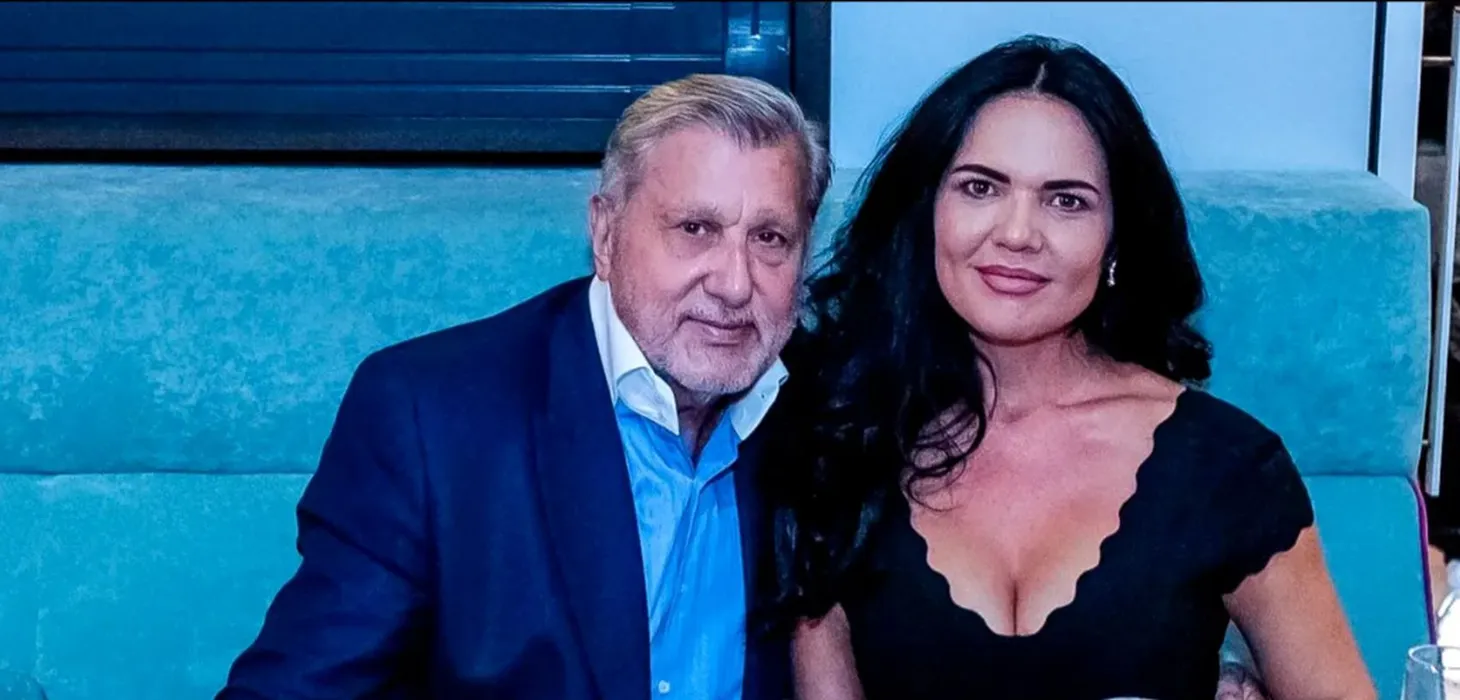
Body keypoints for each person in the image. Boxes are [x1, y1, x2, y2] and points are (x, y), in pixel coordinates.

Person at [770, 35, 1376, 700]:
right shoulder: (840, 439)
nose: (1017, 233)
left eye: (1066, 200)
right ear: (927, 213)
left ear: (1116, 240)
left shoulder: (1228, 468)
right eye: (980, 188)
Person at [216, 73, 831, 699]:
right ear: (605, 234)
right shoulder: (430, 418)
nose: (734, 284)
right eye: (695, 229)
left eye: (770, 239)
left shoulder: (827, 412)